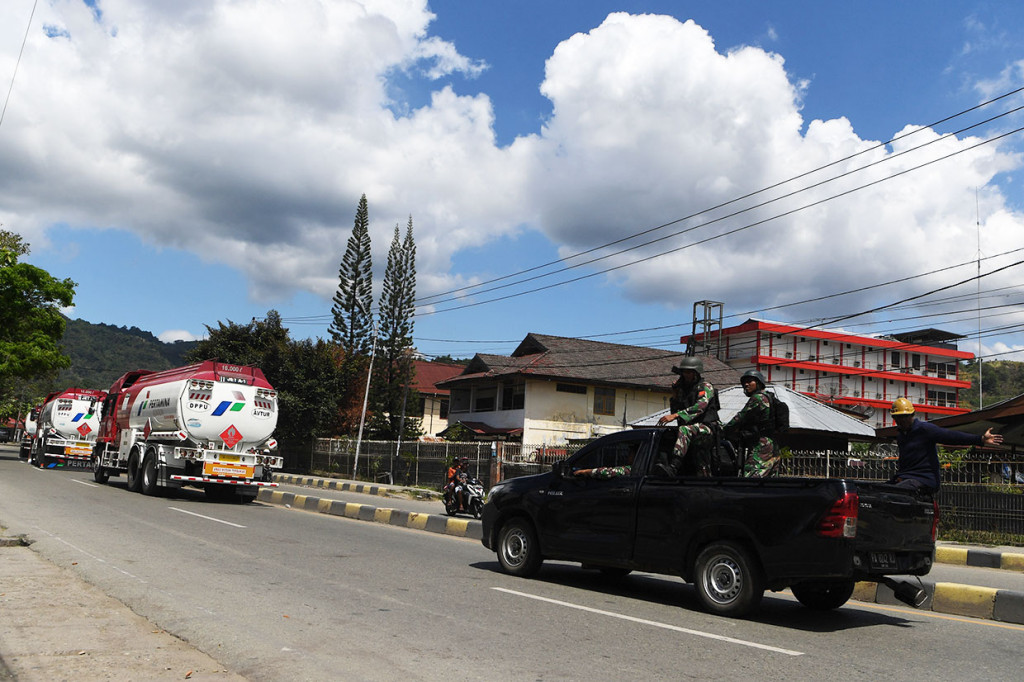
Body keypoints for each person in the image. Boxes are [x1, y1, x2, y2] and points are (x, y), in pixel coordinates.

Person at [889, 397, 1002, 492]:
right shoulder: (901, 435)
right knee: (878, 490)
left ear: (911, 415)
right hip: (906, 478)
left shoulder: (925, 429)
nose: (900, 421)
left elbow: (951, 436)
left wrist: (980, 439)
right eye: (897, 418)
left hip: (924, 479)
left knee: (897, 491)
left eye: (903, 417)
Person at [656, 356, 720, 476]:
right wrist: (675, 393)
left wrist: (675, 415)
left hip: (707, 428)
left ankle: (673, 466)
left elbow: (700, 407)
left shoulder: (705, 386)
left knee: (684, 429)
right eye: (684, 372)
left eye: (689, 372)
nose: (686, 375)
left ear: (696, 373)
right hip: (693, 432)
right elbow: (675, 409)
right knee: (701, 466)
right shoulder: (684, 390)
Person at [723, 369, 778, 478]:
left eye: (750, 381)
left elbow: (740, 417)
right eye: (744, 382)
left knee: (750, 481)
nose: (746, 385)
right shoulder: (768, 397)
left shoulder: (758, 398)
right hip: (771, 444)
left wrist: (723, 429)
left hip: (761, 444)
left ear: (758, 383)